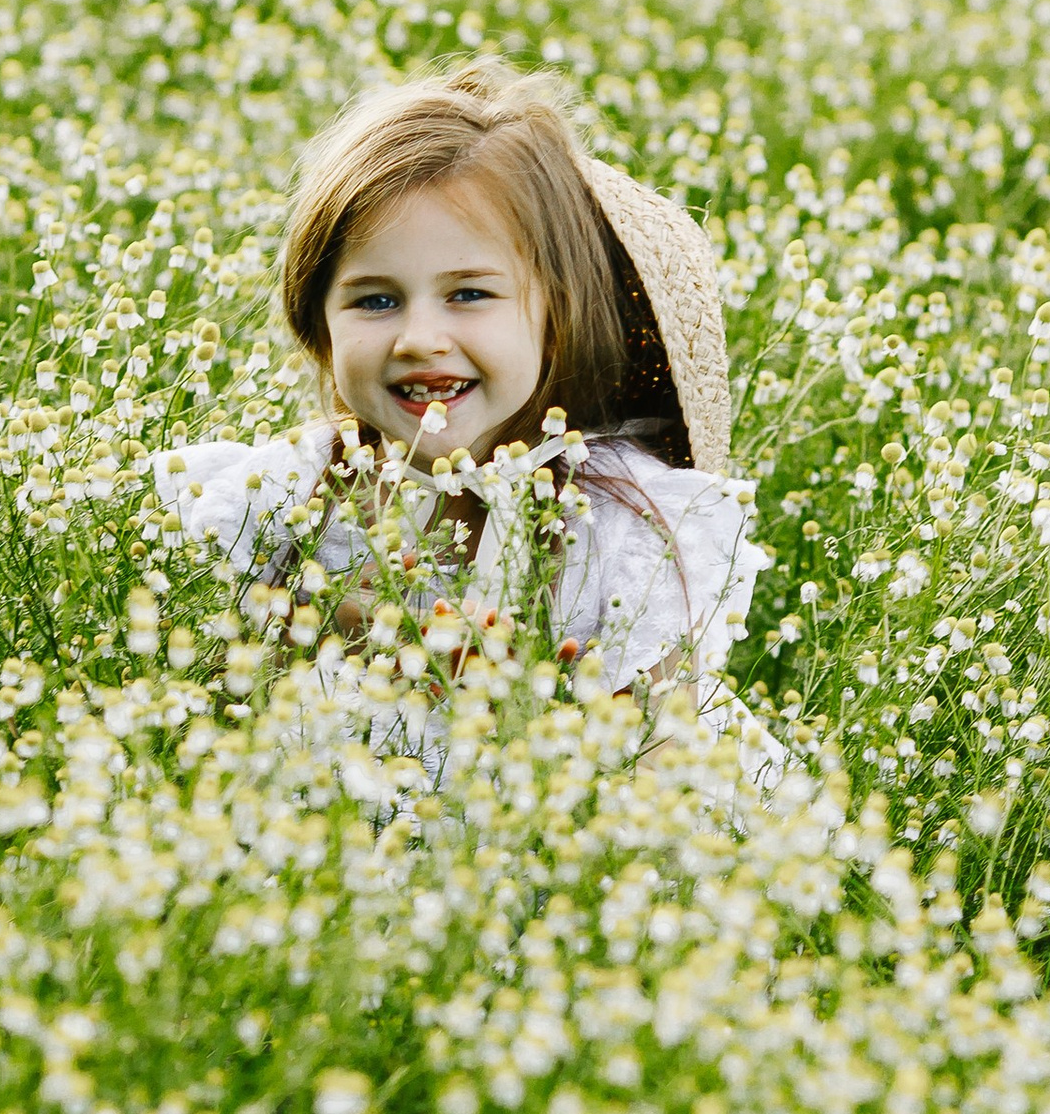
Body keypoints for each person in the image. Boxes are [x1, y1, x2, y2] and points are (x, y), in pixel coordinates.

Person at [151, 57, 773, 767]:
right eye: (375, 300)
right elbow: (192, 700)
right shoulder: (284, 496)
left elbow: (660, 760)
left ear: (558, 316)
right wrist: (320, 627)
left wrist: (529, 700)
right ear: (319, 324)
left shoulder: (626, 525)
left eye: (469, 294)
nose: (419, 339)